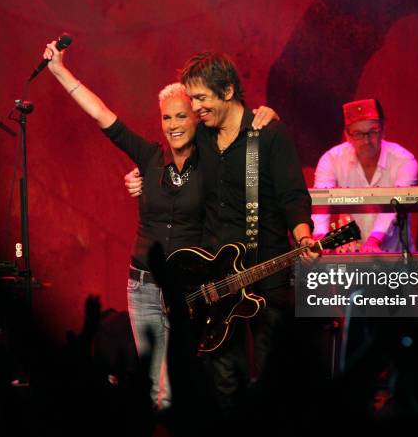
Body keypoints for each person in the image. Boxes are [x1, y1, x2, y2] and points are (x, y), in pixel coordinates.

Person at [42, 41, 276, 410]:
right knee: (157, 391)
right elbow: (102, 115)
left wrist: (264, 115)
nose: (174, 125)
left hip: (189, 292)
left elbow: (243, 131)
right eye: (167, 118)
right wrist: (59, 70)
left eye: (182, 116)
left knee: (188, 385)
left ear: (196, 117)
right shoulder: (150, 157)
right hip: (143, 288)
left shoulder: (213, 162)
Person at [125, 51, 318, 415]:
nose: (194, 108)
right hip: (218, 285)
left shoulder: (269, 134)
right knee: (224, 379)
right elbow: (169, 158)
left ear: (227, 91)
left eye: (201, 98)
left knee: (274, 377)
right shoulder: (204, 141)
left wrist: (304, 234)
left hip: (268, 274)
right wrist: (140, 181)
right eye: (192, 99)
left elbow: (293, 195)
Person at [312, 98, 418, 252]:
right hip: (349, 258)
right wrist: (320, 239)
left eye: (372, 132)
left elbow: (395, 205)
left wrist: (374, 240)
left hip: (396, 259)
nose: (366, 140)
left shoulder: (404, 161)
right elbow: (320, 204)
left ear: (383, 130)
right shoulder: (331, 159)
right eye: (358, 134)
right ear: (347, 135)